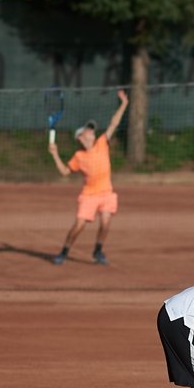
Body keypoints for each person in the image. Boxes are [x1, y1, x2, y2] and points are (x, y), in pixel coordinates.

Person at [48, 89, 128, 265]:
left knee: (106, 222)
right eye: (88, 130)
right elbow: (64, 172)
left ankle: (98, 251)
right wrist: (54, 154)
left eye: (91, 130)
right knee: (79, 225)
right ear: (80, 137)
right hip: (89, 195)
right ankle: (64, 251)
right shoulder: (79, 156)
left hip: (106, 192)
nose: (92, 132)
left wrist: (124, 104)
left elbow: (114, 123)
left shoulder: (101, 143)